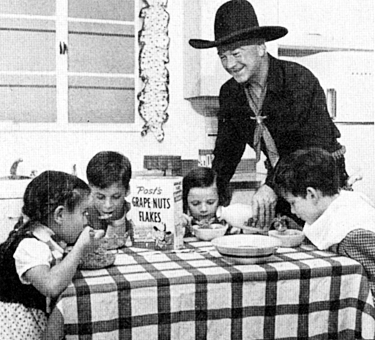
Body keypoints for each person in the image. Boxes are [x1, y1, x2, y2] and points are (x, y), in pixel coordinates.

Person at [189, 0, 348, 231]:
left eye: (236, 53)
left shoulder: (298, 81)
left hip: (322, 186)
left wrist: (271, 186)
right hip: (284, 187)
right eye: (222, 56)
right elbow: (226, 153)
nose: (230, 64)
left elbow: (310, 149)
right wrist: (212, 198)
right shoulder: (231, 93)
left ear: (261, 47)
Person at [0, 170, 104, 339]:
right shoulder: (30, 245)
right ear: (60, 215)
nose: (86, 220)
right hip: (16, 332)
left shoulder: (47, 238)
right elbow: (50, 284)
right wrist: (80, 247)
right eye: (84, 213)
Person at [273, 148, 375, 297]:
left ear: (311, 194)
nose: (293, 211)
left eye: (293, 203)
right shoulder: (342, 203)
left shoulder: (354, 236)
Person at [86, 151, 134, 247]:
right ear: (89, 190)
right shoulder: (82, 215)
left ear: (127, 190)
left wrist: (118, 220)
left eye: (116, 197)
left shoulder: (133, 215)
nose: (108, 205)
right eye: (100, 197)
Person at [182, 167, 232, 235]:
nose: (203, 209)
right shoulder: (181, 223)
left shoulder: (231, 221)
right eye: (195, 203)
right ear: (186, 202)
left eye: (210, 202)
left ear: (220, 199)